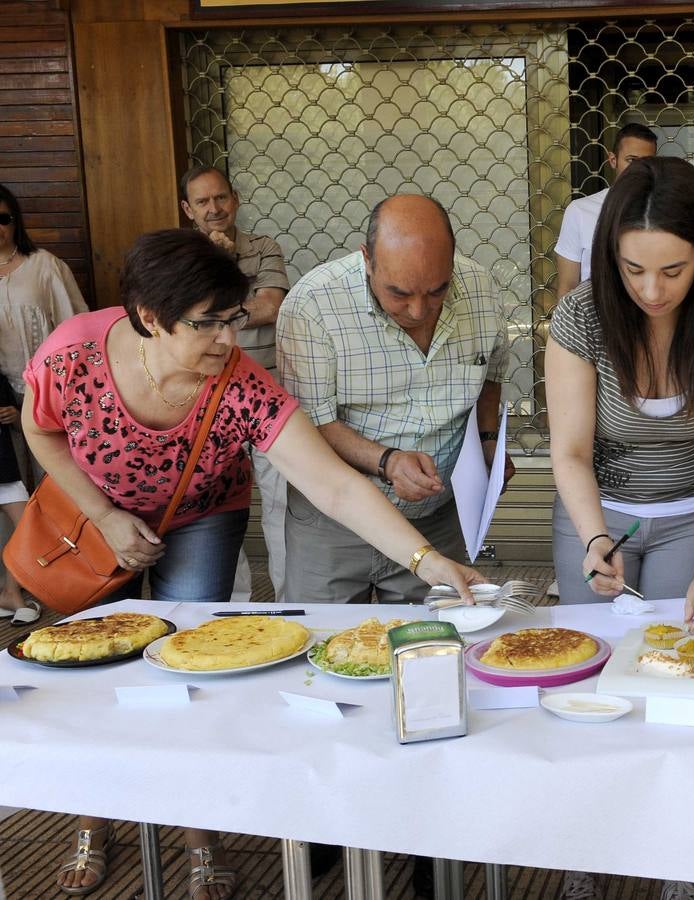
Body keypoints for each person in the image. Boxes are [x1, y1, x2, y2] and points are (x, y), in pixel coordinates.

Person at [23, 229, 485, 898]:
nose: (227, 341)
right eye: (205, 324)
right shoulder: (72, 357)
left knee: (193, 666)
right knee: (98, 668)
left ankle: (199, 833)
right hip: (96, 519)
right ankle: (93, 819)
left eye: (232, 319)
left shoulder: (239, 384)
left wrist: (427, 560)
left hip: (201, 516)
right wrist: (101, 515)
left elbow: (333, 484)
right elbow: (41, 428)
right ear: (149, 317)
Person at [545, 153, 694, 900]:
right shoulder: (579, 317)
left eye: (673, 270)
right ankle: (587, 854)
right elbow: (569, 452)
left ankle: (677, 861)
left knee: (680, 687)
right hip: (596, 515)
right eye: (634, 270)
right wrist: (596, 538)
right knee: (590, 683)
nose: (651, 289)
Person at [277, 194, 511, 604]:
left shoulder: (480, 289)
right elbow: (311, 425)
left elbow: (489, 375)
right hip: (332, 525)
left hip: (437, 519)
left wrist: (489, 441)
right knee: (323, 645)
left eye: (437, 290)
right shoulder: (313, 304)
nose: (419, 310)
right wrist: (388, 461)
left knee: (430, 646)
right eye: (399, 293)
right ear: (366, 259)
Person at [178, 164, 292, 601]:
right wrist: (213, 261)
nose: (214, 208)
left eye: (220, 197)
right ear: (188, 209)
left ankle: (289, 599)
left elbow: (269, 308)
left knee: (282, 504)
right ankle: (234, 605)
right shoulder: (180, 255)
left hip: (266, 393)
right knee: (217, 506)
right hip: (203, 395)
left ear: (235, 199)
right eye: (203, 202)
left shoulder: (264, 248)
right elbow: (177, 316)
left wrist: (220, 280)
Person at [0, 183, 88, 482]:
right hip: (1, 396)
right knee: (11, 486)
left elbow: (77, 326)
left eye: (3, 219)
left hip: (50, 391)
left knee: (57, 477)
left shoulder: (44, 265)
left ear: (15, 221)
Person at [554, 122, 659, 298]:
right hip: (594, 321)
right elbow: (567, 286)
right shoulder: (579, 212)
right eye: (631, 160)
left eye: (646, 162)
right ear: (613, 160)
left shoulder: (664, 211)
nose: (638, 169)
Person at [0, 377, 37, 624]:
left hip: (6, 473)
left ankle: (10, 593)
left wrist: (15, 416)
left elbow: (26, 422)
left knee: (28, 528)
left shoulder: (0, 381)